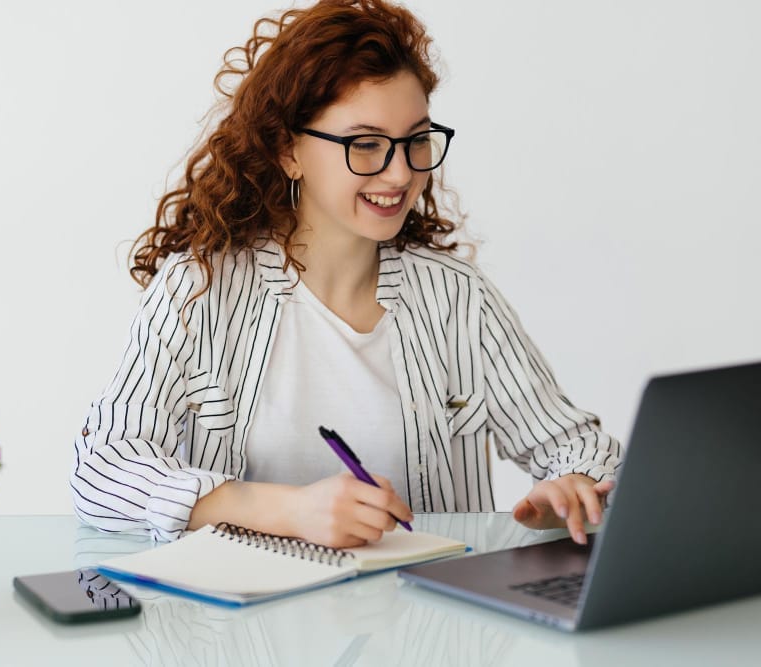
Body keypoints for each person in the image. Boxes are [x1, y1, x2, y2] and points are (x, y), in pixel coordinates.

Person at [71, 0, 621, 548]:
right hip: (238, 605)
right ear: (289, 151)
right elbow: (102, 470)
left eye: (416, 140)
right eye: (366, 144)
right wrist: (287, 510)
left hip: (425, 603)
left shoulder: (457, 298)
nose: (400, 173)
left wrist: (572, 487)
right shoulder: (200, 291)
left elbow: (585, 450)